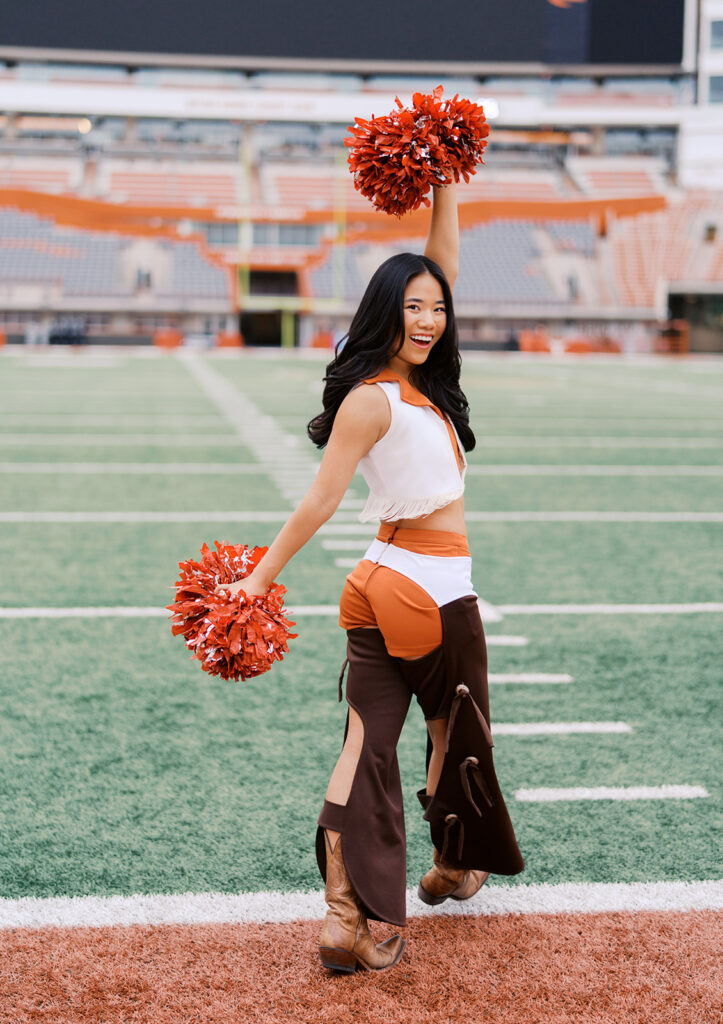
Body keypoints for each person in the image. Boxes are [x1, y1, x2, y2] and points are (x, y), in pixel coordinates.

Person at [216, 183, 524, 974]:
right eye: (412, 308)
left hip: (372, 588)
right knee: (449, 734)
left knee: (361, 746)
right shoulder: (377, 399)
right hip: (432, 591)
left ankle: (343, 917)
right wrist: (257, 580)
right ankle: (454, 867)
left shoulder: (400, 388)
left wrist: (444, 183)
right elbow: (319, 500)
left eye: (435, 309)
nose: (427, 319)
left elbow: (439, 264)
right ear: (384, 314)